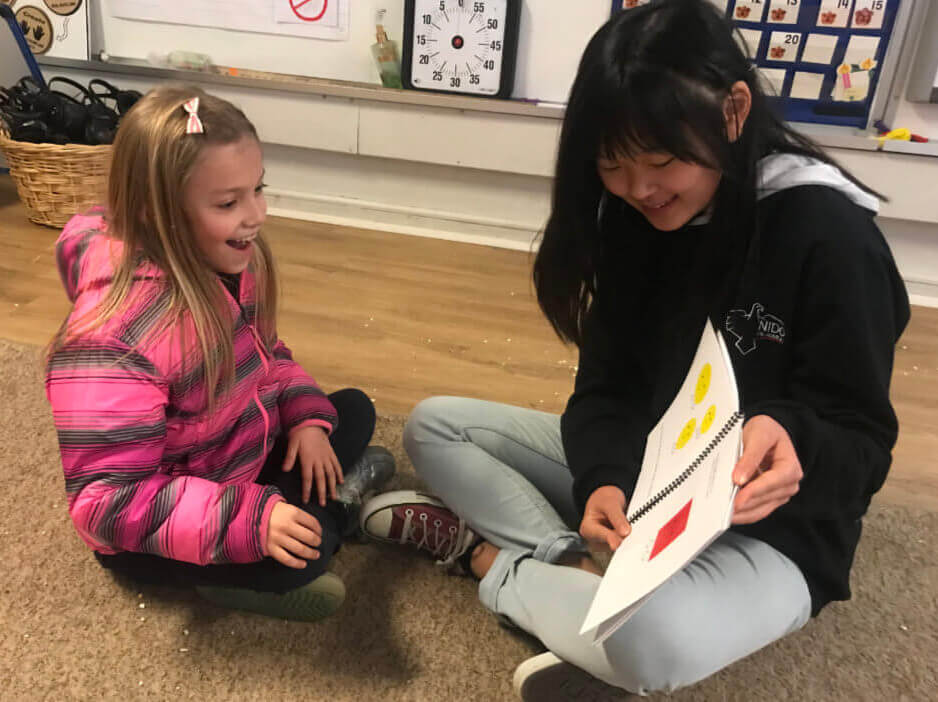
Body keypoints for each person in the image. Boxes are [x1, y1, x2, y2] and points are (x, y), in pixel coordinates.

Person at [358, 0, 910, 697]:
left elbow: (862, 442)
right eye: (613, 165)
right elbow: (605, 388)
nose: (640, 189)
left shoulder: (828, 236)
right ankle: (571, 567)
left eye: (663, 161)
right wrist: (603, 481)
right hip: (657, 474)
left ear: (734, 111)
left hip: (772, 526)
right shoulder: (629, 217)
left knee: (654, 643)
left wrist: (795, 436)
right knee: (436, 425)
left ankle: (488, 561)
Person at [45, 85, 395, 622]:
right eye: (229, 203)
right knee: (305, 552)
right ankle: (315, 523)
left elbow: (268, 354)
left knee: (351, 410)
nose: (257, 214)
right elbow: (107, 504)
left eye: (258, 188)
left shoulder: (226, 261)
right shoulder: (108, 343)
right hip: (160, 527)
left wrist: (304, 420)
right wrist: (249, 520)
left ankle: (315, 505)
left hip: (234, 454)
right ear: (155, 212)